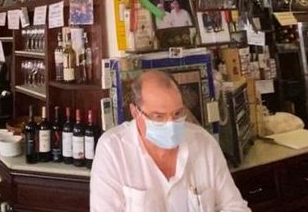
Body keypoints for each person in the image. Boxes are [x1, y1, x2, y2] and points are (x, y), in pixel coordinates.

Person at [90, 70, 249, 211]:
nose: (171, 124)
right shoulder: (113, 149)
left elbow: (234, 206)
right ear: (135, 112)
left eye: (177, 113)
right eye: (158, 116)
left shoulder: (204, 143)